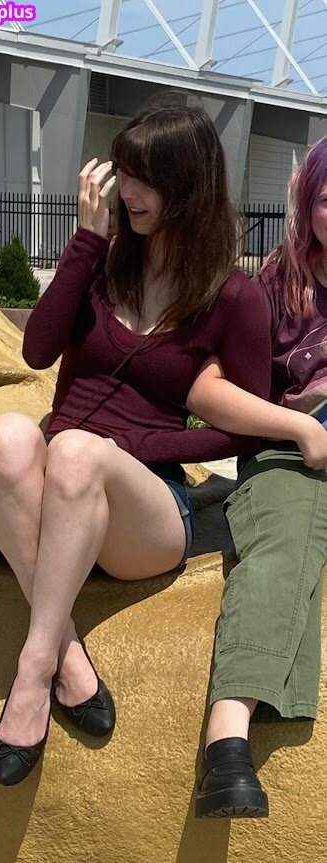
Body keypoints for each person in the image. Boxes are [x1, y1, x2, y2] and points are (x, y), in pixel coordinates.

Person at [0, 100, 272, 788]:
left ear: (188, 185)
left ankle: (32, 673)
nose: (127, 191)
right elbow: (36, 350)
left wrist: (132, 443)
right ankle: (64, 651)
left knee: (77, 449)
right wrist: (85, 243)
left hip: (148, 512)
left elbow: (247, 424)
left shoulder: (233, 297)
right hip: (65, 483)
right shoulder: (104, 263)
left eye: (146, 178)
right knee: (6, 433)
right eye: (123, 173)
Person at [188, 135, 327, 819]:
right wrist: (299, 426)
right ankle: (228, 739)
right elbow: (205, 390)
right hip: (292, 456)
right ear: (307, 202)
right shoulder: (272, 286)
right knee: (286, 541)